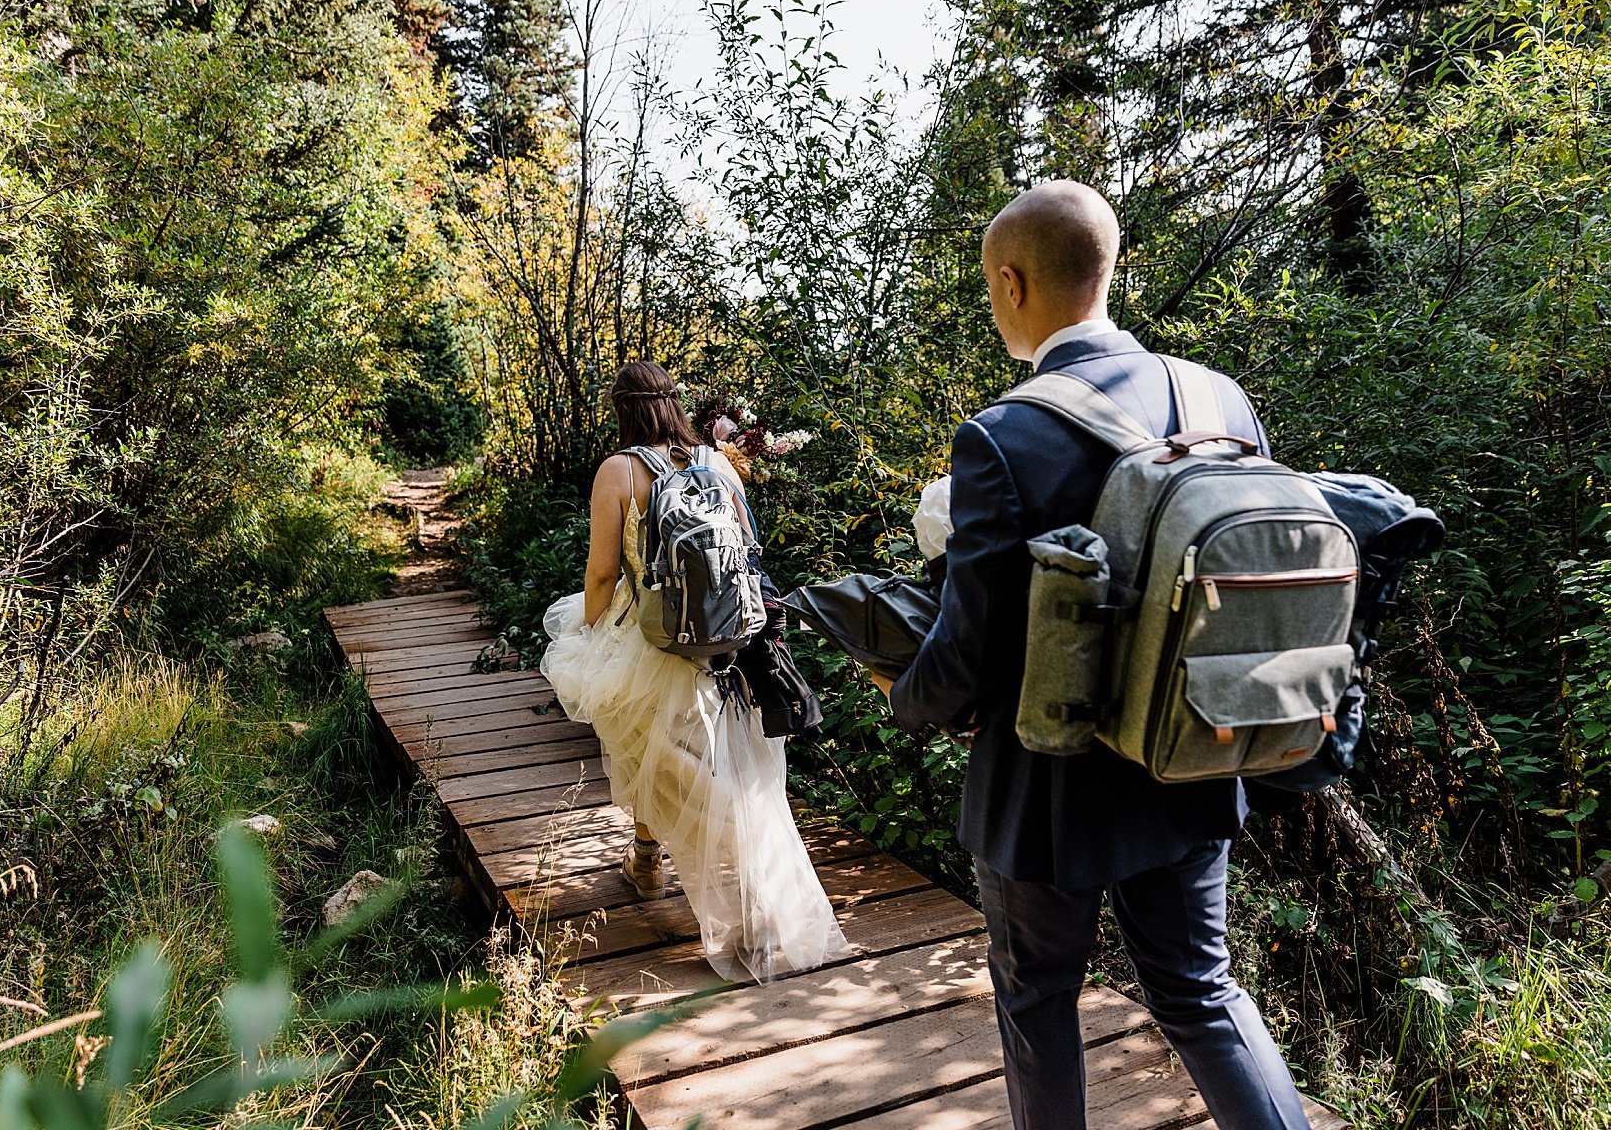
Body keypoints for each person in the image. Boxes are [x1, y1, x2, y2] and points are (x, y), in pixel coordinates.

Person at [877, 181, 1313, 1130]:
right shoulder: (1220, 397)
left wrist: (904, 698)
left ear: (1011, 281)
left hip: (1049, 787)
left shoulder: (1004, 434)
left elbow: (970, 644)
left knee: (1038, 1001)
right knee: (1201, 993)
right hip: (1198, 747)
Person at [540, 361, 849, 984]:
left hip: (652, 636)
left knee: (658, 754)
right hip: (727, 637)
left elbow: (603, 573)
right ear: (672, 405)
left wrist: (591, 630)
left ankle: (713, 880)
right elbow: (746, 548)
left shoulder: (619, 471)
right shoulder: (715, 461)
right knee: (708, 755)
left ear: (621, 409)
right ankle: (649, 857)